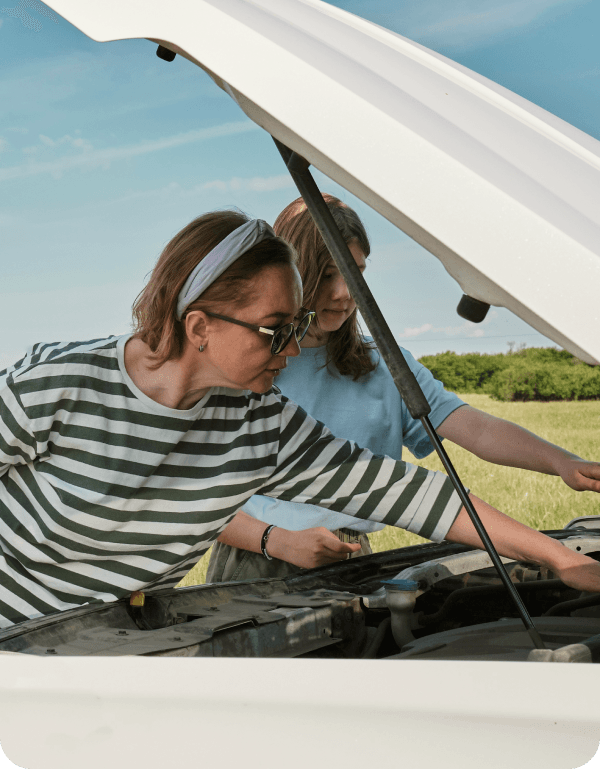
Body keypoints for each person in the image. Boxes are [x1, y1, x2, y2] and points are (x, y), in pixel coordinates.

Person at [1, 211, 600, 630]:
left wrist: (559, 557)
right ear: (200, 326)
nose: (292, 350)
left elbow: (414, 495)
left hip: (108, 648)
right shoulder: (59, 382)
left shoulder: (263, 424)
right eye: (276, 330)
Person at [207, 195, 600, 584]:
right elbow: (193, 494)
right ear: (292, 273)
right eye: (328, 273)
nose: (344, 291)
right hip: (256, 560)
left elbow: (476, 429)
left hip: (355, 559)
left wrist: (561, 462)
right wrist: (275, 541)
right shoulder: (248, 366)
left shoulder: (384, 364)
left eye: (354, 271)